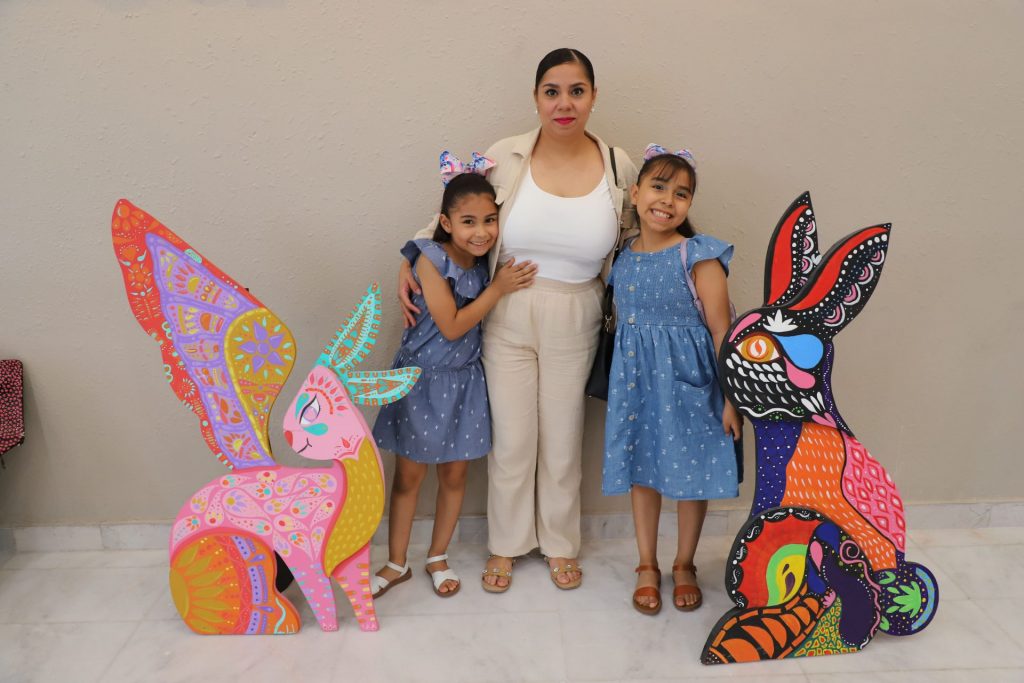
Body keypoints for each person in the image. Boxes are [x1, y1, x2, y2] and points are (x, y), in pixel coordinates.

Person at [398, 48, 638, 592]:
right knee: (511, 440)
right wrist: (409, 259)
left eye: (576, 91)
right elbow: (451, 217)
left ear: (593, 96)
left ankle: (560, 544)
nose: (563, 103)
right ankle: (505, 544)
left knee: (562, 440)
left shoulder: (617, 164)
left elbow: (645, 226)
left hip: (578, 310)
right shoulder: (505, 156)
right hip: (505, 308)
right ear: (536, 97)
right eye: (552, 91)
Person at [371, 154, 537, 598]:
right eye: (468, 222)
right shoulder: (430, 259)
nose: (481, 231)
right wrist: (499, 290)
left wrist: (495, 280)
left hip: (464, 383)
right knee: (409, 478)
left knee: (454, 477)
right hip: (421, 382)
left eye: (489, 220)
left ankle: (437, 556)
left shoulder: (482, 261)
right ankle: (396, 562)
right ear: (445, 222)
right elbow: (451, 325)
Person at [602, 145, 742, 614]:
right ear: (635, 193)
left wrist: (732, 399)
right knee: (642, 470)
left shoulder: (698, 256)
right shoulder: (622, 255)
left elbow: (722, 331)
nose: (667, 200)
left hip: (691, 383)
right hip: (637, 384)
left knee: (692, 473)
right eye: (658, 187)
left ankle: (684, 563)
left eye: (681, 193)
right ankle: (647, 564)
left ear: (689, 204)